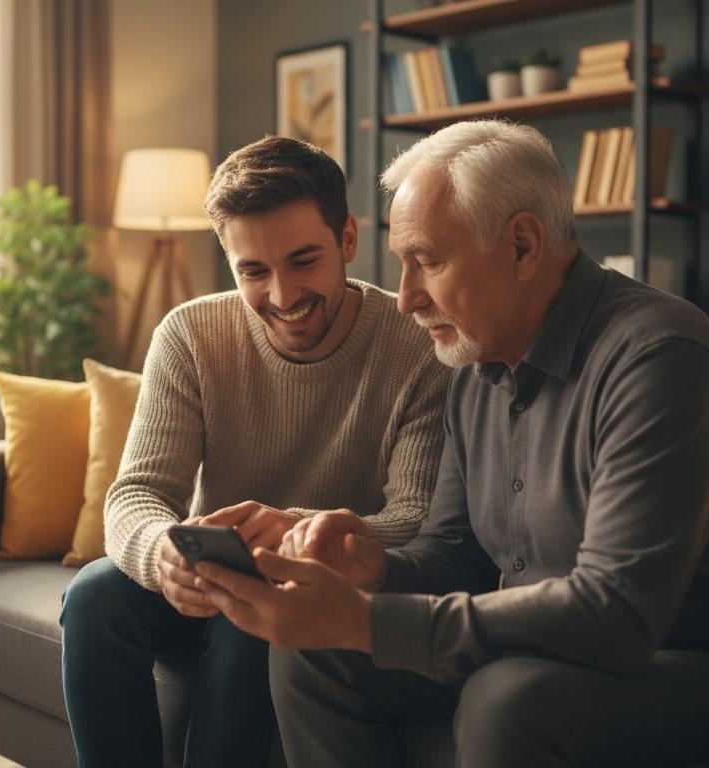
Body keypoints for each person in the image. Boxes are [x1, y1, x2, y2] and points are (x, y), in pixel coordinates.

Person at [193, 120, 709, 767]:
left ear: (523, 245)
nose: (406, 298)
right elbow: (457, 552)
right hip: (552, 650)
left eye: (429, 261)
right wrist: (371, 568)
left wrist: (363, 620)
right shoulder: (472, 364)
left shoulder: (660, 358)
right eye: (401, 265)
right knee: (313, 657)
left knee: (508, 698)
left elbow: (617, 614)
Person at [58, 135, 449, 768]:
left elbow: (418, 518)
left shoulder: (415, 346)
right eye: (253, 271)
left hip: (319, 588)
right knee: (95, 594)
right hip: (206, 579)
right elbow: (136, 494)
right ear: (229, 262)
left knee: (263, 612)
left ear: (348, 239)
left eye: (303, 261)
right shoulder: (190, 334)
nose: (283, 294)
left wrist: (295, 531)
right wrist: (163, 554)